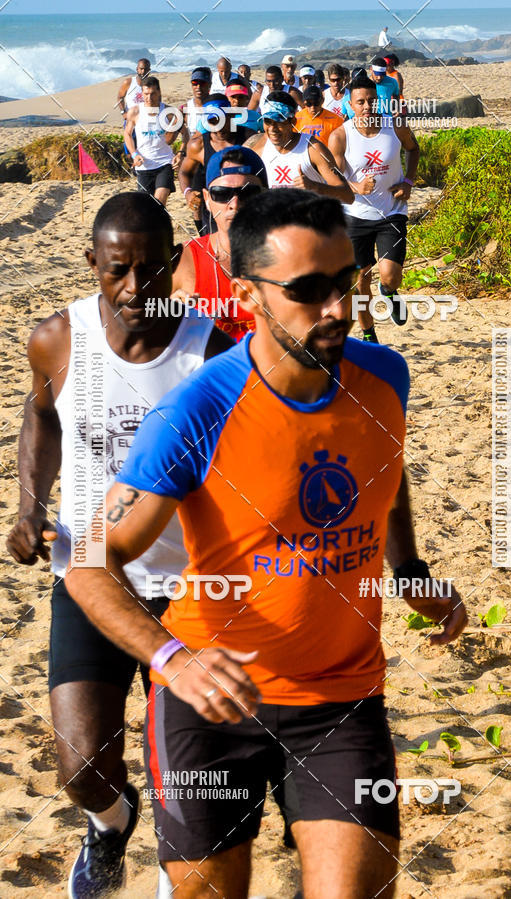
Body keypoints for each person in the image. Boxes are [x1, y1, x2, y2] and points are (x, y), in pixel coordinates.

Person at [64, 187, 467, 899]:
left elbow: (386, 466)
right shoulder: (196, 409)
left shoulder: (385, 377)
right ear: (248, 294)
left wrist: (409, 568)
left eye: (345, 281)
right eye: (308, 290)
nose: (337, 307)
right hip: (210, 708)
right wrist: (173, 660)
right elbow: (89, 558)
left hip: (340, 698)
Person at [6, 192, 233, 899]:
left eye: (151, 269)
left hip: (191, 587)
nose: (135, 287)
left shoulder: (212, 351)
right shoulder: (58, 339)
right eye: (116, 270)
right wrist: (29, 506)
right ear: (92, 264)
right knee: (81, 769)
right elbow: (42, 416)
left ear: (175, 261)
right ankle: (110, 822)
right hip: (90, 574)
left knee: (190, 784)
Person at [329, 74, 419, 343]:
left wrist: (408, 181)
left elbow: (413, 149)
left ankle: (388, 291)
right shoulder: (340, 136)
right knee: (360, 282)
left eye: (372, 100)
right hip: (355, 216)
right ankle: (369, 333)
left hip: (392, 211)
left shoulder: (395, 126)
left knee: (390, 276)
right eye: (361, 102)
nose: (367, 106)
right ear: (350, 104)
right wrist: (355, 187)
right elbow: (334, 177)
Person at [172, 146, 267, 341]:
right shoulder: (184, 259)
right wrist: (168, 314)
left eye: (248, 193)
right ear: (207, 199)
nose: (235, 204)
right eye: (222, 193)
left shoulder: (289, 258)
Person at [250, 91, 353, 204]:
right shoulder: (258, 148)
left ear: (293, 122)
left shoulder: (313, 149)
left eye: (279, 121)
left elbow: (347, 196)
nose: (272, 129)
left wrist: (315, 187)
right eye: (267, 121)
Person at [178, 95, 253, 234]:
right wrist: (188, 193)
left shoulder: (249, 138)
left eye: (222, 120)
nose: (218, 127)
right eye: (213, 121)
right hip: (214, 210)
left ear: (231, 115)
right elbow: (184, 172)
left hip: (244, 208)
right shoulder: (198, 145)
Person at [124, 76, 182, 206]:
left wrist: (180, 153)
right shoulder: (135, 111)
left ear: (159, 92)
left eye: (153, 94)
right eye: (146, 94)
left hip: (165, 163)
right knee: (146, 207)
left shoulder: (168, 112)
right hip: (144, 165)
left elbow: (186, 133)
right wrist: (134, 154)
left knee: (159, 203)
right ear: (141, 93)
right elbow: (127, 134)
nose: (149, 98)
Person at [180, 66, 212, 146]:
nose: (198, 87)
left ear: (210, 84)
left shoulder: (216, 106)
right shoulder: (185, 108)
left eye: (202, 83)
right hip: (193, 150)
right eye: (195, 83)